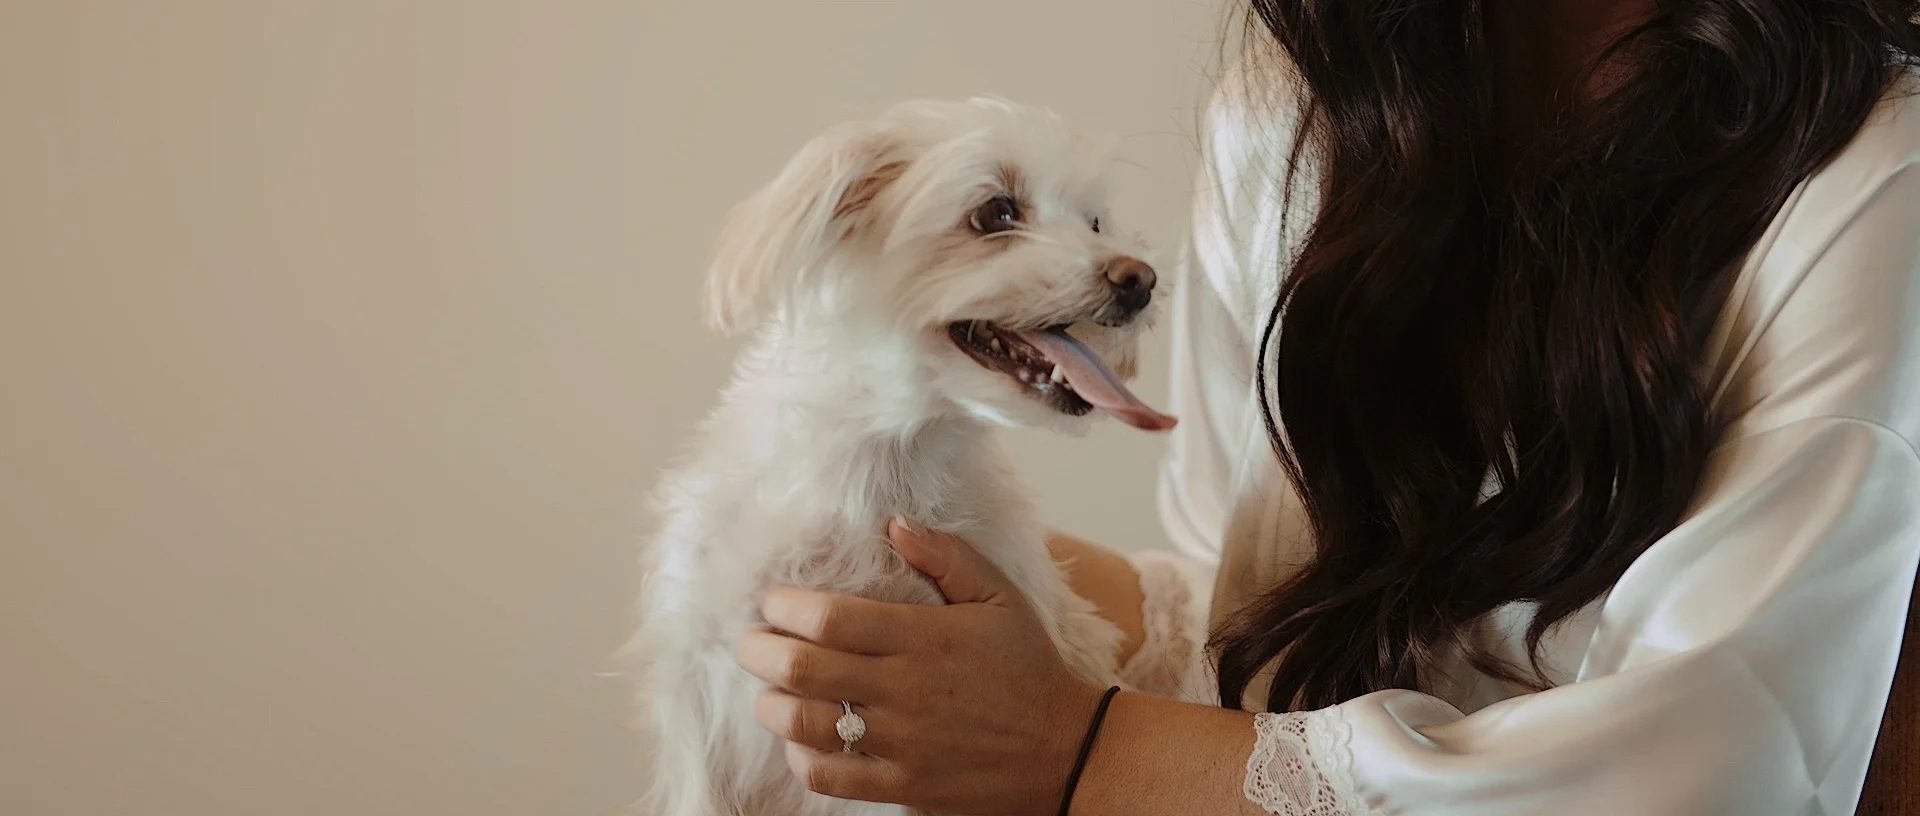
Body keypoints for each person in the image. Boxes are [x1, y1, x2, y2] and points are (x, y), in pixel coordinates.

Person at [732, 1, 1920, 813]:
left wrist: (1075, 746)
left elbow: (1720, 762)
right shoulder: (1289, 113)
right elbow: (1249, 608)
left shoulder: (1873, 180)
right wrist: (984, 592)